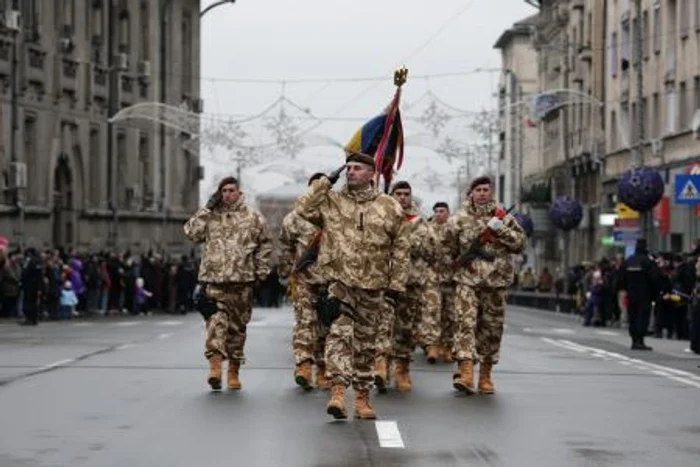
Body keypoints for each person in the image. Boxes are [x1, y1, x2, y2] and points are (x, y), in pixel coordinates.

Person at [294, 157, 410, 419]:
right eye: (348, 168)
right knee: (338, 334)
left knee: (366, 343)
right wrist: (325, 182)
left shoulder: (388, 205)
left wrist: (396, 282)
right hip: (340, 281)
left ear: (372, 174)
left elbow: (401, 246)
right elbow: (302, 208)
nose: (351, 172)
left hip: (373, 283)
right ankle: (337, 392)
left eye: (358, 168)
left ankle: (361, 398)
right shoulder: (332, 201)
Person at [184, 176, 272, 391]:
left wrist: (260, 272)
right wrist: (206, 209)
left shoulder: (253, 217)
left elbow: (265, 245)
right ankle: (215, 368)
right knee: (215, 323)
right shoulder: (211, 216)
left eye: (231, 190)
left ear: (239, 192)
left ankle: (233, 370)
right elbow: (191, 233)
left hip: (242, 282)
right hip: (215, 281)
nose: (227, 194)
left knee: (237, 329)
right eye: (223, 191)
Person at [444, 176, 526, 394]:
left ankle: (486, 375)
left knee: (492, 328)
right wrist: (458, 268)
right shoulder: (458, 219)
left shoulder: (504, 217)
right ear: (471, 192)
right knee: (465, 324)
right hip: (467, 281)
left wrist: (501, 230)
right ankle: (467, 371)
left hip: (496, 282)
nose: (481, 193)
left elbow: (520, 243)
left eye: (485, 190)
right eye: (477, 189)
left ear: (491, 193)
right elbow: (447, 248)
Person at [278, 173, 330, 390]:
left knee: (326, 329)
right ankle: (303, 365)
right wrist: (285, 271)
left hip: (330, 281)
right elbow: (286, 246)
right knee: (304, 323)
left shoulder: (337, 215)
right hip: (304, 280)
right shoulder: (294, 218)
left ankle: (323, 369)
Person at [617, 238, 662, 350]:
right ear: (645, 247)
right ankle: (640, 341)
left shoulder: (629, 261)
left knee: (633, 316)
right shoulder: (648, 261)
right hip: (645, 294)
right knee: (643, 317)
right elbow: (655, 278)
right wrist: (656, 293)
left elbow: (620, 278)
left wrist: (624, 289)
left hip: (631, 294)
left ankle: (634, 340)